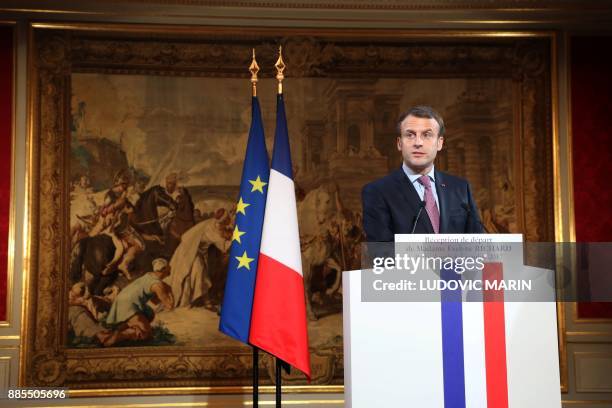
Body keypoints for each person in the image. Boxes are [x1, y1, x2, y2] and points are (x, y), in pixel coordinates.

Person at [362, 105, 483, 242]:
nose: (418, 143)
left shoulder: (460, 188)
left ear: (439, 143)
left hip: (458, 264)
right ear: (399, 143)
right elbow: (381, 253)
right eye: (410, 135)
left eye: (427, 135)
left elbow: (478, 245)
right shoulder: (377, 192)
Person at [103, 258, 174, 346]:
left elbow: (154, 301)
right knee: (146, 333)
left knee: (149, 312)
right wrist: (170, 291)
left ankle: (123, 327)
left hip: (122, 300)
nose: (169, 273)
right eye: (168, 270)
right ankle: (117, 337)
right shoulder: (157, 285)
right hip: (128, 305)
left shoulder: (149, 275)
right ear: (163, 270)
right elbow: (169, 305)